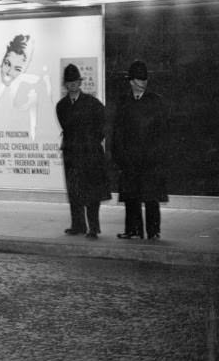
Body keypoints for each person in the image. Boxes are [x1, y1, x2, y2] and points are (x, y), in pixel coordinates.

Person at [111, 60, 169, 240]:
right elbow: (117, 131)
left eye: (144, 79)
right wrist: (119, 156)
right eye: (139, 79)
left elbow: (163, 131)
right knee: (131, 197)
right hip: (129, 158)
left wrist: (157, 155)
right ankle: (133, 230)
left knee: (151, 198)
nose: (142, 82)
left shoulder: (156, 101)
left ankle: (153, 231)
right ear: (131, 81)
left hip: (150, 159)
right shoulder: (123, 101)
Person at [56, 63, 109, 239]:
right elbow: (66, 126)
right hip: (71, 152)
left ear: (80, 83)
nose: (72, 85)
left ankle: (93, 227)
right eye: (69, 82)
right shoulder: (61, 105)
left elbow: (103, 125)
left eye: (75, 81)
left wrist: (93, 141)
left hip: (89, 152)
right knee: (74, 190)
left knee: (91, 191)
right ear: (66, 84)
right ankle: (77, 225)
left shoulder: (93, 103)